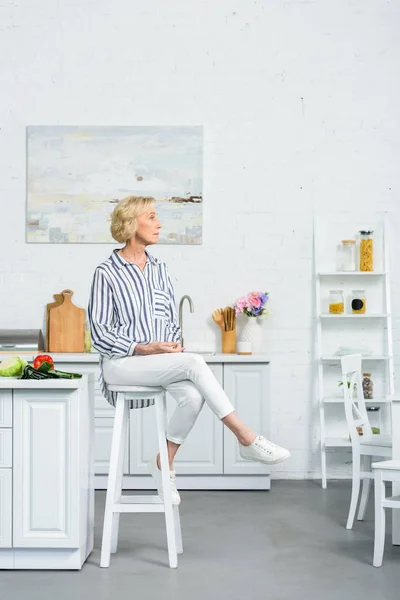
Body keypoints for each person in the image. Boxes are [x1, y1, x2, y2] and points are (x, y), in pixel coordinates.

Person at [88, 195, 290, 505]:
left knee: (193, 396)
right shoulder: (107, 273)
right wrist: (143, 348)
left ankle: (162, 462)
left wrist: (168, 346)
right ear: (131, 223)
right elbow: (99, 333)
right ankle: (246, 436)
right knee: (194, 363)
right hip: (121, 363)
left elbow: (169, 319)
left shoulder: (160, 269)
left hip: (156, 361)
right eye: (152, 217)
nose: (159, 224)